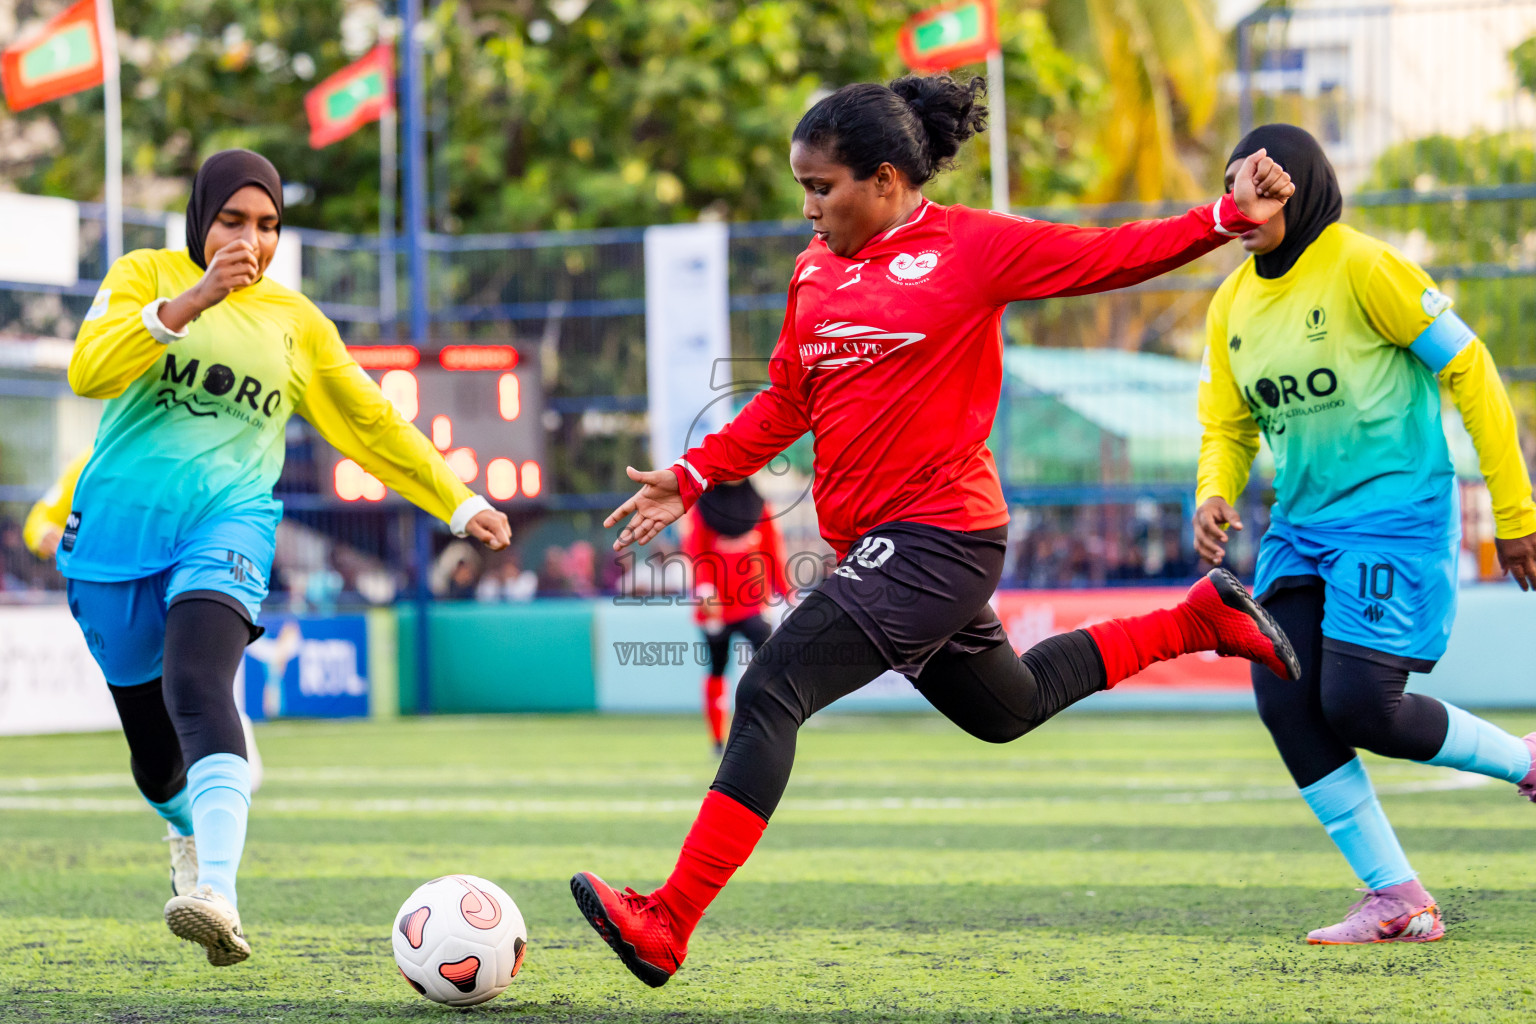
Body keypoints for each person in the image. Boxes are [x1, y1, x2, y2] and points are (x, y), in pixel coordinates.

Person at [568, 74, 1299, 987]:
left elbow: (1109, 254)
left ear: (884, 179)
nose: (807, 207)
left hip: (941, 535)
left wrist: (1222, 218)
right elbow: (790, 400)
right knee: (1009, 709)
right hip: (881, 544)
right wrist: (691, 472)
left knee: (769, 691)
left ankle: (668, 921)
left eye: (821, 187)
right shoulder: (813, 271)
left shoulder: (972, 248)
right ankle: (1196, 621)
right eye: (800, 187)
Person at [60, 149, 510, 966]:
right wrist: (192, 300)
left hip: (227, 525)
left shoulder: (297, 322)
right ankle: (187, 828)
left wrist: (461, 499)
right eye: (233, 220)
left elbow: (370, 424)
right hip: (113, 540)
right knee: (154, 758)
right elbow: (89, 370)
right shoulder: (141, 275)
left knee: (196, 684)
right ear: (201, 219)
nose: (252, 240)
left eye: (267, 225)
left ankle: (218, 896)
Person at [1194, 124, 1536, 945]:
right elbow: (1226, 425)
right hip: (1300, 528)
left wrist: (1517, 513)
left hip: (1394, 513)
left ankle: (1529, 766)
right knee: (1282, 694)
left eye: (1265, 183)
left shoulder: (1365, 265)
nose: (1246, 201)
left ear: (1302, 186)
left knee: (1357, 705)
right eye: (1236, 185)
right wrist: (1213, 493)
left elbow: (1472, 369)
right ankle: (1396, 896)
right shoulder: (1231, 302)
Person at [26, 449, 269, 797]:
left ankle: (221, 739)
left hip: (184, 581)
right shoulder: (91, 464)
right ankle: (193, 782)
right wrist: (44, 535)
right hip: (125, 595)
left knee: (195, 681)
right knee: (156, 738)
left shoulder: (194, 453)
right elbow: (40, 518)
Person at [680, 478, 791, 755]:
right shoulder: (704, 507)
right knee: (717, 667)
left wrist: (788, 592)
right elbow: (696, 550)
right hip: (715, 605)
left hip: (754, 601)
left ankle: (770, 728)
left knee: (767, 664)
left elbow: (772, 550)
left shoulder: (759, 504)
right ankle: (718, 739)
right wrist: (705, 590)